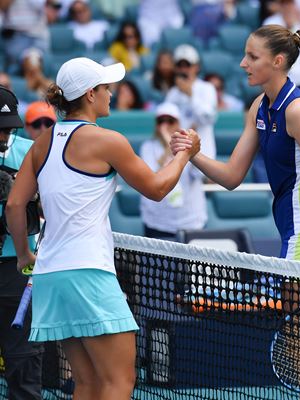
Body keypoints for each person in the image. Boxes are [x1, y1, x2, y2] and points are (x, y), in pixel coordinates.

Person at [5, 57, 199, 400]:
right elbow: (156, 189)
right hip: (89, 274)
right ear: (91, 95)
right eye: (106, 88)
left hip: (51, 276)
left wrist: (24, 256)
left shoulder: (42, 143)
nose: (112, 93)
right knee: (119, 383)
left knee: (89, 383)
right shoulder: (108, 141)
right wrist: (184, 154)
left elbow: (15, 205)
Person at [171, 25, 300, 400]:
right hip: (292, 231)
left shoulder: (298, 110)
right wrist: (192, 153)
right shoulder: (259, 107)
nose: (242, 63)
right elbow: (232, 176)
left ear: (278, 61)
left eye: (252, 57)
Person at [0, 85, 43, 400]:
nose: (3, 136)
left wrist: (30, 194)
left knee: (24, 366)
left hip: (19, 270)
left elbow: (50, 210)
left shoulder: (33, 152)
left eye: (7, 129)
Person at [140, 102, 207, 239]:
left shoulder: (191, 145)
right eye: (161, 121)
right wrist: (167, 144)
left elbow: (198, 173)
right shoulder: (148, 147)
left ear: (178, 123)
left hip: (191, 221)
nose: (165, 125)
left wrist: (186, 150)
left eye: (170, 121)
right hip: (157, 222)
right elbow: (153, 177)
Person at [166, 44, 218, 160]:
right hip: (178, 155)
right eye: (180, 65)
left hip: (203, 153)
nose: (183, 70)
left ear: (196, 67)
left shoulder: (207, 88)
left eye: (187, 65)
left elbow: (208, 118)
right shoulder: (172, 93)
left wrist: (190, 95)